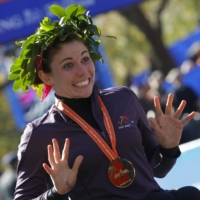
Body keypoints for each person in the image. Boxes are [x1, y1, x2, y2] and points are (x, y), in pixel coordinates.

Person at [8, 4, 200, 200]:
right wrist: (56, 193)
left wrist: (168, 148)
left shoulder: (124, 99)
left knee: (191, 195)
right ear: (46, 77)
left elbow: (157, 169)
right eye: (68, 65)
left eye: (85, 59)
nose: (82, 71)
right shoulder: (39, 133)